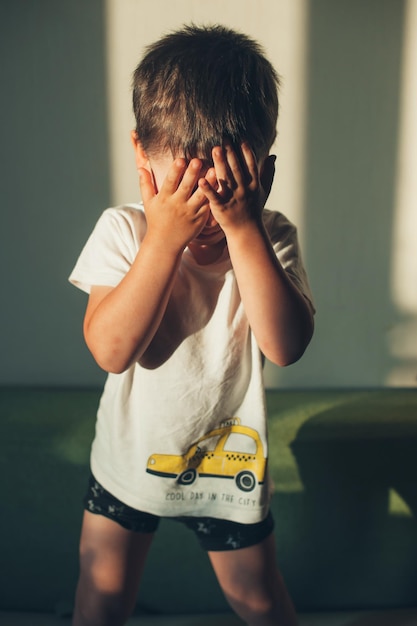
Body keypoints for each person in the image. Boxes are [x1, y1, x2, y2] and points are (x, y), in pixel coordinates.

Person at [69, 24, 314, 626]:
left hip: (227, 468)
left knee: (259, 598)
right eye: (184, 191)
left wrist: (245, 228)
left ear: (265, 174)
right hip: (129, 461)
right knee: (100, 597)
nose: (203, 212)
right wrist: (164, 239)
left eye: (226, 192)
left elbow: (285, 347)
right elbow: (111, 350)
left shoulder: (269, 236)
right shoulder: (123, 233)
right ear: (140, 155)